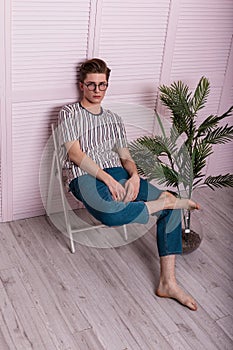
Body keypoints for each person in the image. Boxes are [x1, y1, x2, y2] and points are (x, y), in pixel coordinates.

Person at [58, 58, 200, 311]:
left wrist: (134, 176)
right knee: (110, 216)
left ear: (107, 85)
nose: (97, 90)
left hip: (119, 174)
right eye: (91, 85)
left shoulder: (114, 119)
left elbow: (125, 157)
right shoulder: (69, 113)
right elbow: (75, 155)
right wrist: (107, 178)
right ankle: (163, 201)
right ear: (82, 85)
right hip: (86, 177)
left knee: (173, 208)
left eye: (102, 85)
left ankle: (168, 283)